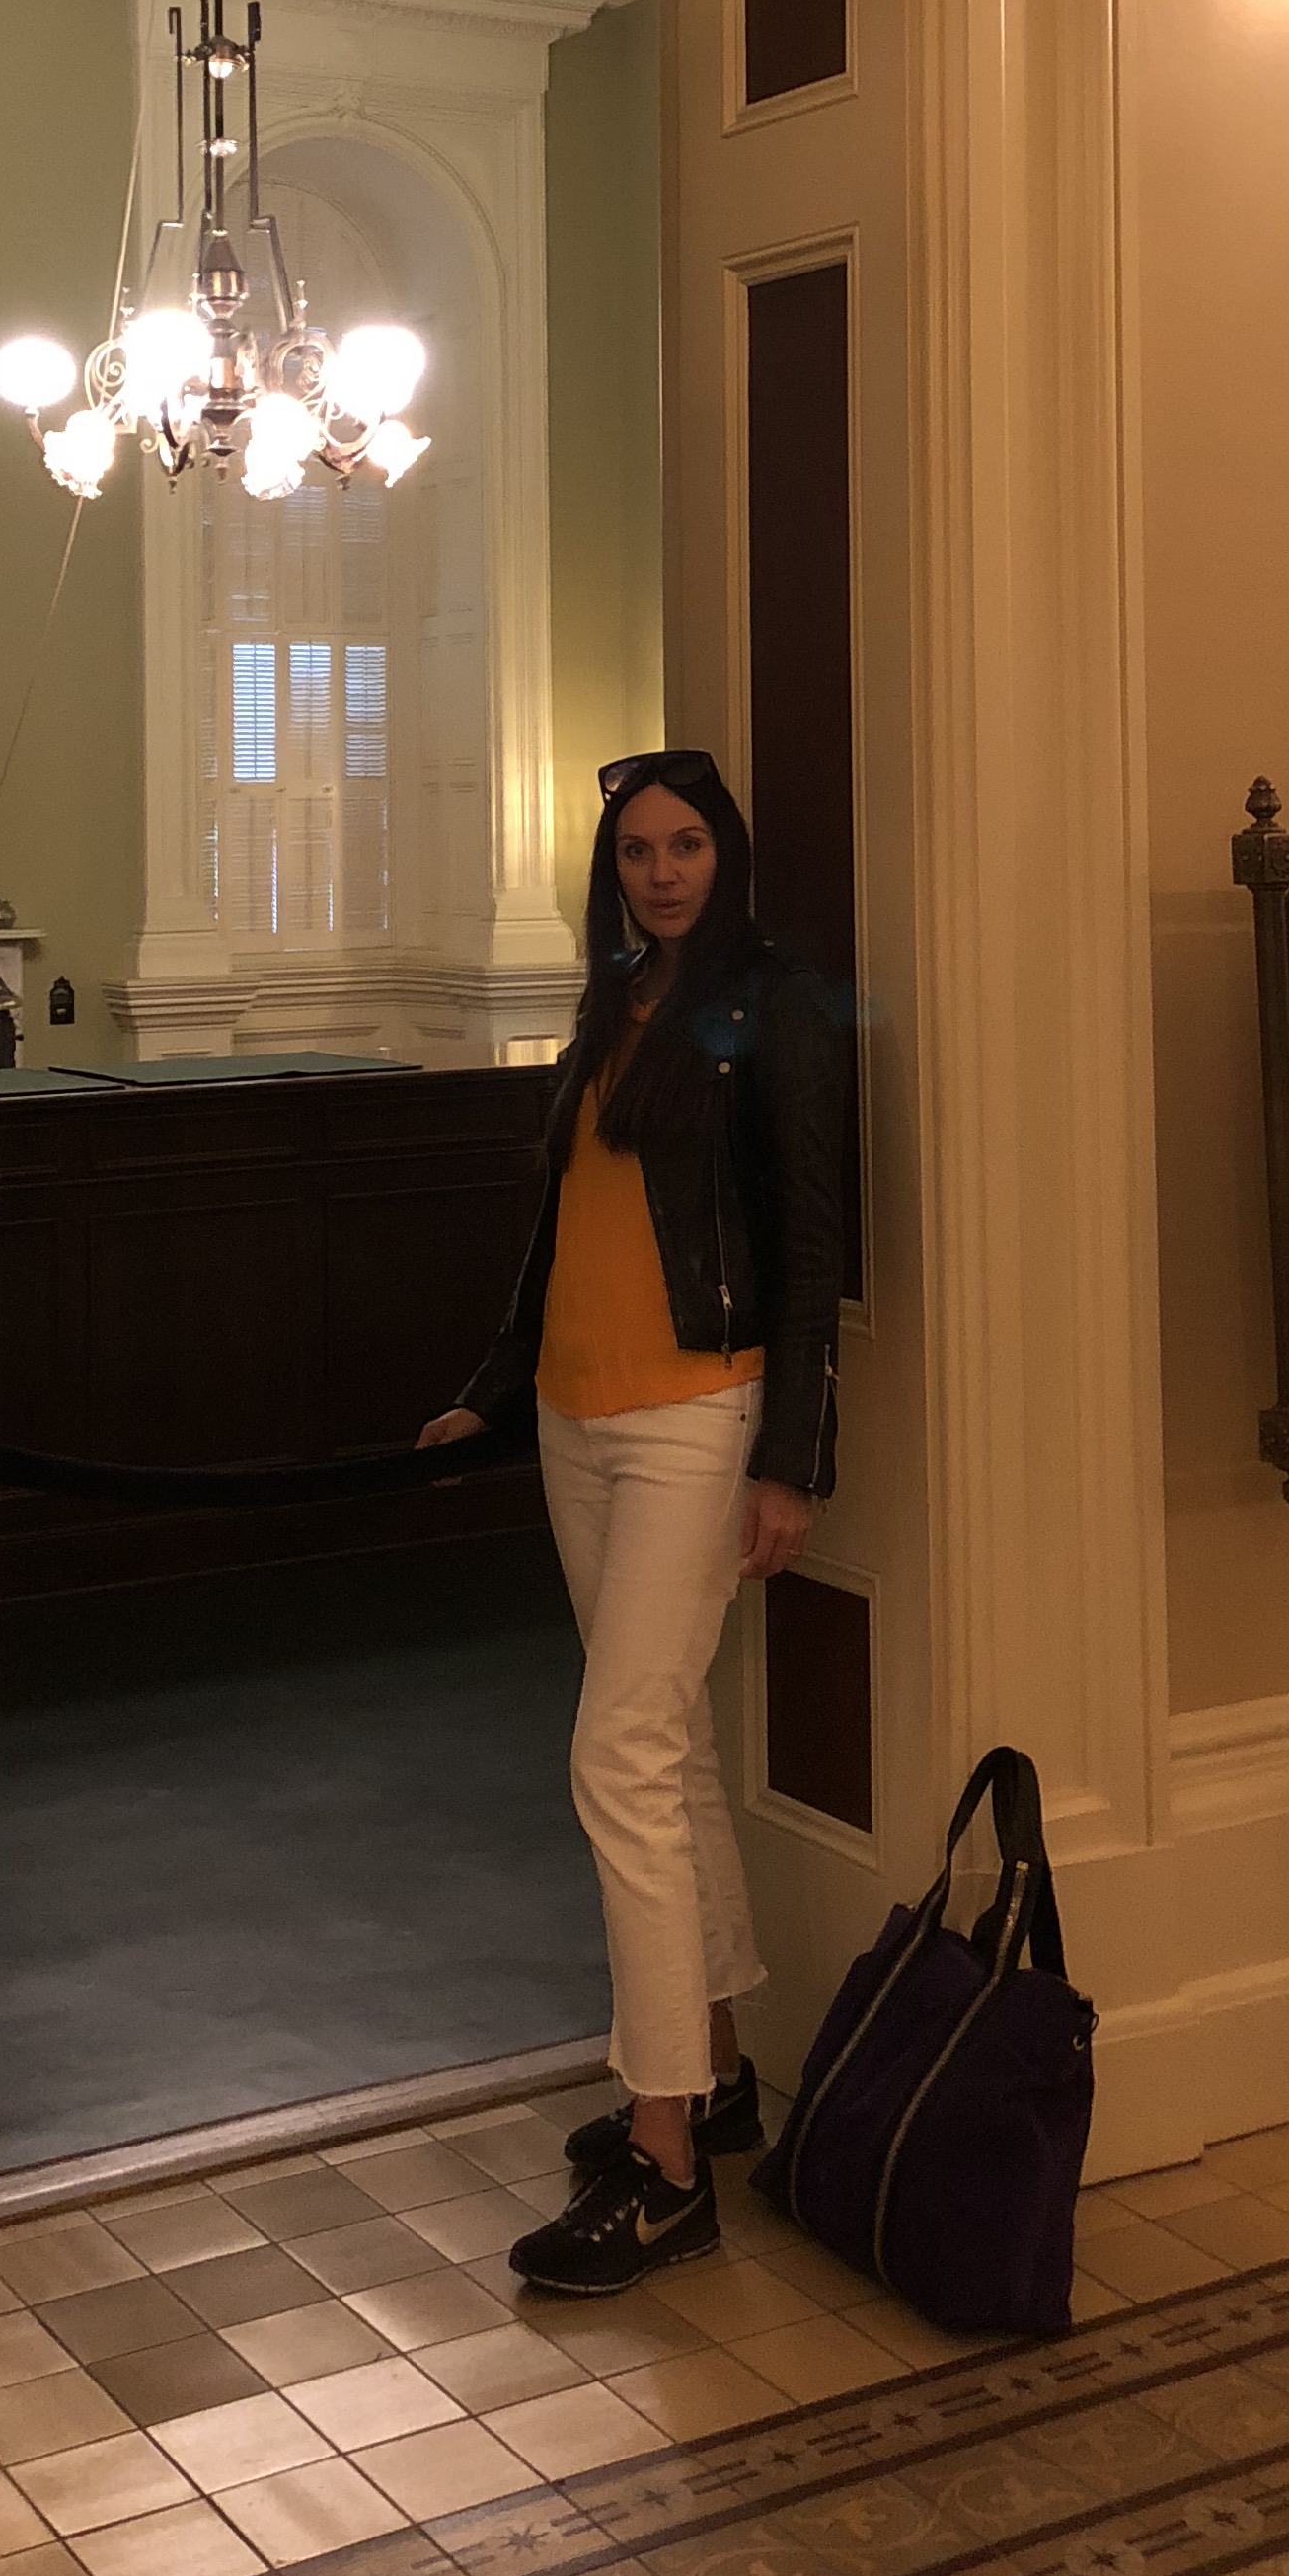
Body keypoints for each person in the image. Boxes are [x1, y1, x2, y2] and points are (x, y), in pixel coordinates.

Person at [418, 747, 844, 2293]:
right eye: (637, 852)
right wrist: (491, 1385)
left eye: (685, 847)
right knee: (671, 1750)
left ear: (726, 856)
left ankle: (663, 2162)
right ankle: (714, 2074)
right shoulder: (616, 1001)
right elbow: (565, 1224)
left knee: (620, 1759)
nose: (660, 873)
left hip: (695, 1419)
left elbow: (812, 1237)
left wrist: (792, 1461)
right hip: (573, 1418)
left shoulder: (769, 1005)